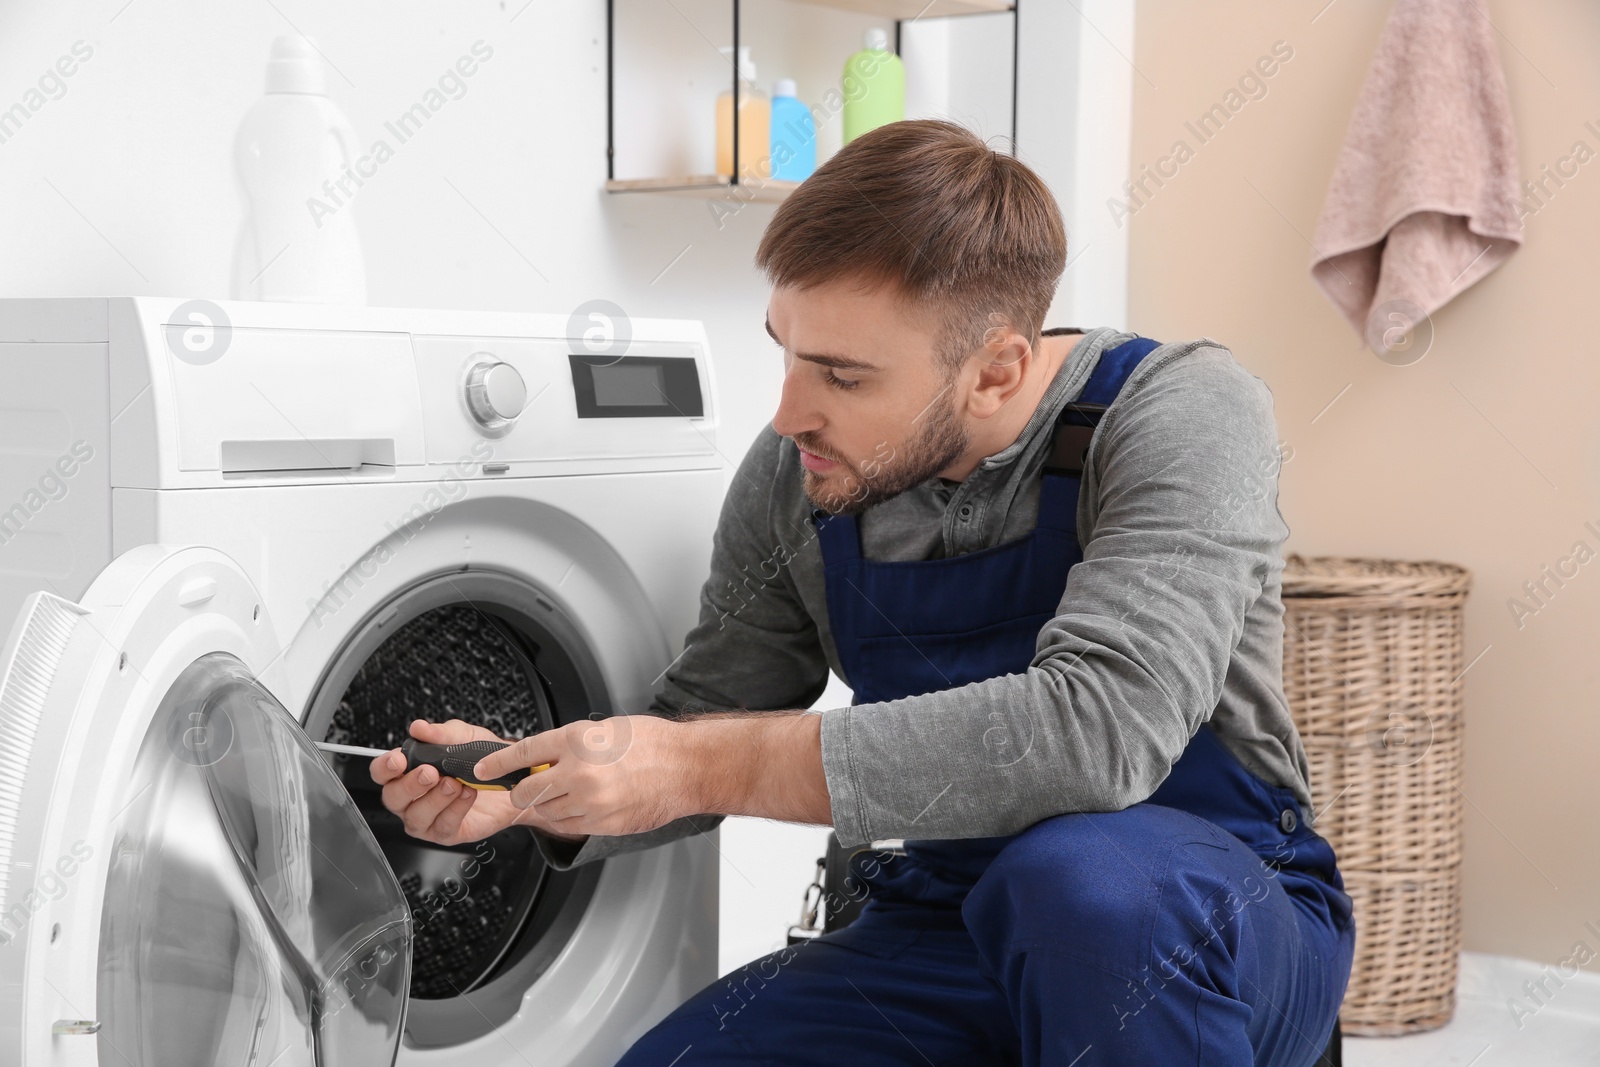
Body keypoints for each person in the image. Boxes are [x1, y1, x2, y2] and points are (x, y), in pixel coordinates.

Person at [373, 119, 1354, 1065]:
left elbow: (1100, 728)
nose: (790, 410)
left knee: (1081, 888)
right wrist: (529, 788)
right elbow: (702, 719)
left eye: (840, 374)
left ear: (996, 369)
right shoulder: (795, 468)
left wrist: (696, 763)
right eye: (786, 349)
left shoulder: (1179, 410)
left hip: (1205, 918)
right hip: (946, 917)